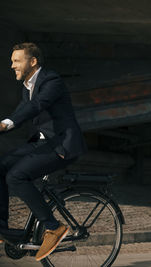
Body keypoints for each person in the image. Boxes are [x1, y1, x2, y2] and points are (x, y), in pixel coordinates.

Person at [0, 43, 86, 261]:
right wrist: (4, 125)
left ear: (33, 61)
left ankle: (53, 227)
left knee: (16, 176)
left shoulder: (51, 81)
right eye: (12, 61)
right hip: (41, 142)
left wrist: (8, 121)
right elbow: (21, 111)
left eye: (16, 61)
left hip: (61, 144)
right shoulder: (27, 86)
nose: (12, 66)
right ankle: (2, 230)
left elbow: (37, 105)